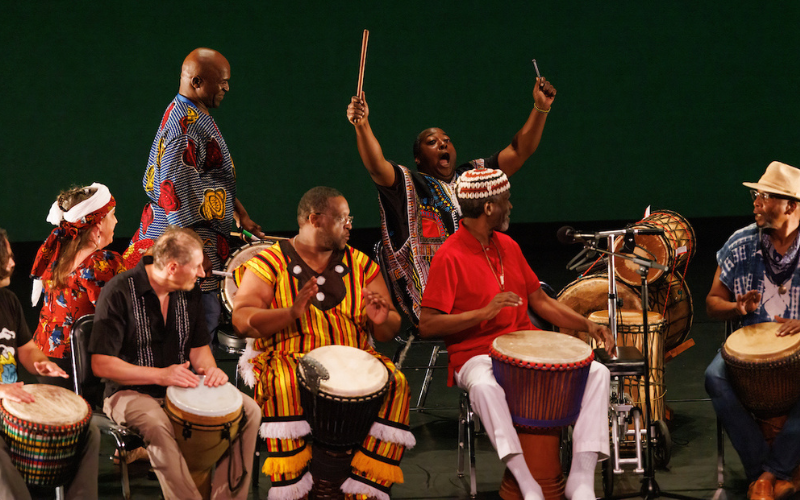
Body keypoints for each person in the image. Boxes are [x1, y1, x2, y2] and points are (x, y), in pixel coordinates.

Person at [418, 168, 613, 500]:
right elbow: (427, 324)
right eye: (506, 200)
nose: (511, 206)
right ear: (489, 208)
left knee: (597, 372)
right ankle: (526, 481)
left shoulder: (507, 245)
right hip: (475, 354)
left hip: (522, 348)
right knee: (484, 387)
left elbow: (540, 300)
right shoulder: (449, 255)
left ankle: (580, 478)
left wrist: (588, 325)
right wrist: (484, 313)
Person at [232, 187, 414, 500]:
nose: (350, 226)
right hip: (287, 355)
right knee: (285, 382)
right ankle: (296, 490)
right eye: (343, 218)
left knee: (396, 382)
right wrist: (289, 313)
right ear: (315, 219)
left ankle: (363, 489)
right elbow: (242, 319)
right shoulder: (269, 262)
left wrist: (382, 319)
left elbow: (388, 330)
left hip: (353, 357)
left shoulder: (360, 264)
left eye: (350, 219)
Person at [346, 76, 556, 326]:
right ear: (418, 159)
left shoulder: (473, 176)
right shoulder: (409, 186)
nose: (443, 144)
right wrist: (362, 125)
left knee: (541, 299)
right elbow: (376, 166)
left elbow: (519, 151)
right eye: (432, 142)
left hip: (482, 283)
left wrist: (541, 107)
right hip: (436, 300)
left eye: (446, 140)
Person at [90, 227, 260, 500]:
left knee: (249, 411)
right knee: (157, 423)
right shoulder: (119, 292)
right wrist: (160, 376)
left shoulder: (188, 291)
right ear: (172, 267)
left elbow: (198, 349)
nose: (203, 274)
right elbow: (101, 364)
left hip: (179, 388)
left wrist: (211, 370)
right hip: (127, 393)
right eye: (196, 267)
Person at [131, 47, 265, 337]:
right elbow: (174, 195)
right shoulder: (185, 127)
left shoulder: (192, 112)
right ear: (197, 82)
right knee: (191, 337)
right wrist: (196, 252)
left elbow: (206, 179)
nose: (227, 88)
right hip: (184, 245)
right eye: (222, 81)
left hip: (192, 240)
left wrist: (241, 215)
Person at [705, 161, 800, 500]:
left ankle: (770, 476)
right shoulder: (740, 243)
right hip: (749, 346)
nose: (756, 202)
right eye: (755, 195)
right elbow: (713, 301)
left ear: (790, 205)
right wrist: (737, 308)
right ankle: (768, 471)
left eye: (765, 196)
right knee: (714, 376)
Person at [0, 228, 100, 500]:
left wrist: (41, 364)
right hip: (3, 402)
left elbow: (27, 349)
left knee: (87, 430)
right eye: (6, 257)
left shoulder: (7, 301)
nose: (13, 263)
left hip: (13, 403)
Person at [30, 183, 125, 389]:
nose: (116, 221)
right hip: (76, 365)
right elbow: (121, 311)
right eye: (113, 215)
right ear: (98, 224)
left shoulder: (59, 251)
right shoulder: (100, 262)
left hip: (43, 356)